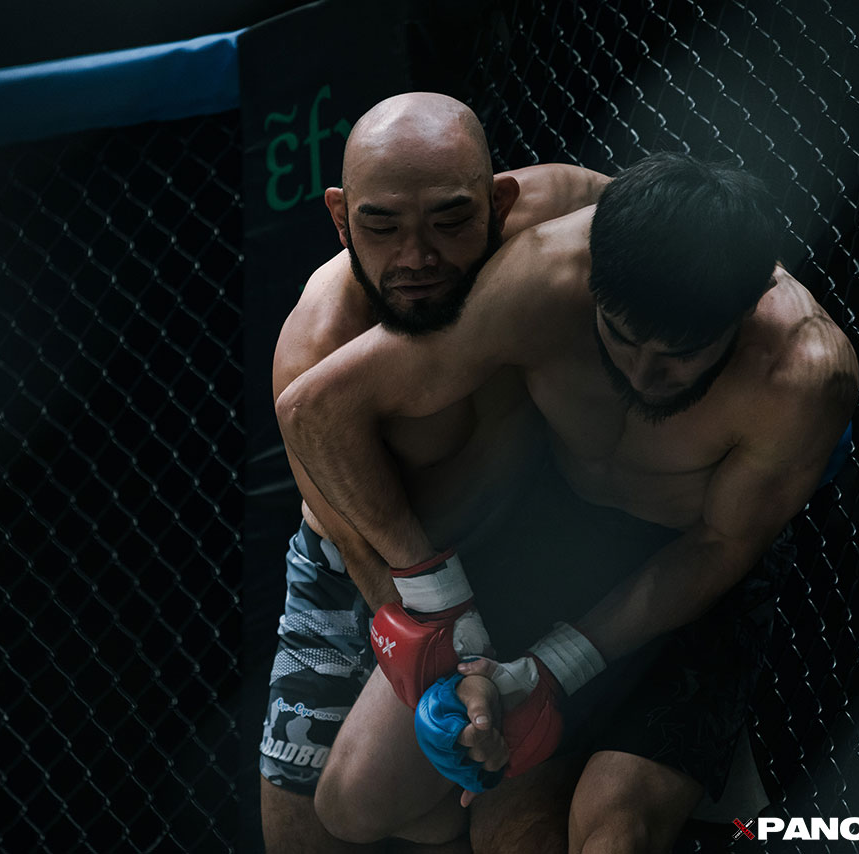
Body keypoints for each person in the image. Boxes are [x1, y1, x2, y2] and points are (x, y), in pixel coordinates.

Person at [276, 151, 859, 853]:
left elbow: (719, 546)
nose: (642, 374)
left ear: (745, 310)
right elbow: (314, 409)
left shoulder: (802, 373)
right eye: (621, 336)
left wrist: (555, 667)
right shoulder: (545, 271)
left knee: (611, 830)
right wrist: (445, 617)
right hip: (550, 530)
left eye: (679, 355)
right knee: (356, 803)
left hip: (689, 567)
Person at [260, 91, 609, 853]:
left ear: (497, 203)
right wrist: (453, 669)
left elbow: (685, 231)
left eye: (449, 222)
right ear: (341, 218)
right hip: (364, 569)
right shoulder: (318, 347)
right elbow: (366, 549)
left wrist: (773, 307)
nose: (416, 257)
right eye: (382, 226)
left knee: (496, 817)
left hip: (520, 543)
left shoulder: (558, 213)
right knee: (308, 832)